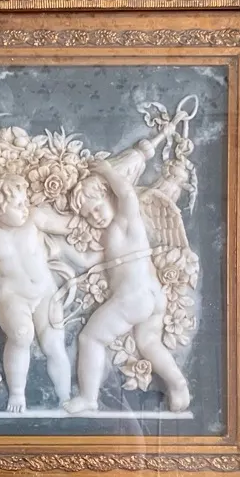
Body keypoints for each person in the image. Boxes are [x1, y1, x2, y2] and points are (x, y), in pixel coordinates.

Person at [62, 158, 190, 414]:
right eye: (88, 215)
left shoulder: (126, 220)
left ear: (109, 195)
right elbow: (90, 261)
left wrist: (108, 172)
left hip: (134, 298)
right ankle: (178, 384)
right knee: (149, 342)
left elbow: (128, 194)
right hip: (152, 297)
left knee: (90, 338)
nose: (95, 217)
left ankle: (88, 397)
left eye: (97, 208)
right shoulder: (114, 233)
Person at [0, 174, 72, 412]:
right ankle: (17, 393)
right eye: (18, 205)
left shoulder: (34, 218)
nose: (25, 208)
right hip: (14, 297)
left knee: (54, 344)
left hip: (45, 292)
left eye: (25, 202)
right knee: (21, 336)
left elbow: (67, 225)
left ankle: (66, 397)